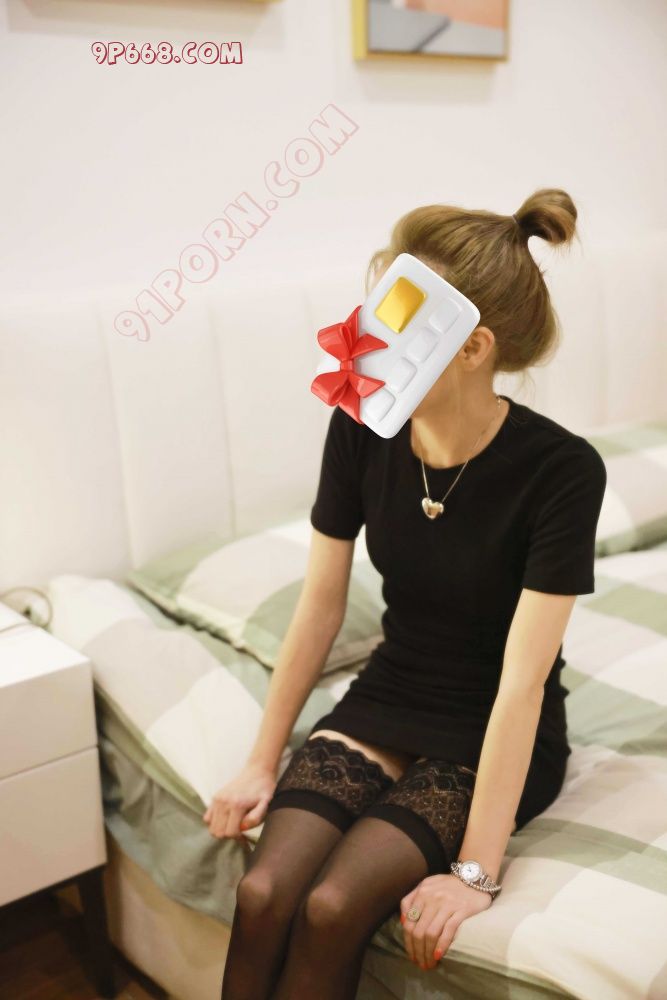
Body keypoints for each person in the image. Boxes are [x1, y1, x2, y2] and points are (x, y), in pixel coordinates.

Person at [208, 187, 608, 999]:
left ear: (471, 348)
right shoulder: (360, 428)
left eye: (399, 322)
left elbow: (522, 683)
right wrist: (259, 761)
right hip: (389, 692)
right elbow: (321, 606)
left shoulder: (561, 471)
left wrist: (476, 872)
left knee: (330, 907)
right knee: (263, 892)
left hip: (489, 722)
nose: (371, 338)